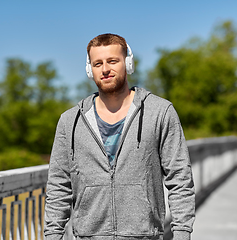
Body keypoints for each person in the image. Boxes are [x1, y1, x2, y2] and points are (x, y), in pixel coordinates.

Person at [44, 33, 195, 240]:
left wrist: (182, 233)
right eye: (98, 63)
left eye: (112, 61)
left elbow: (180, 178)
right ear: (90, 70)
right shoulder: (70, 121)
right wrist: (53, 235)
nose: (105, 69)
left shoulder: (160, 112)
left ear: (128, 63)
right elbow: (58, 186)